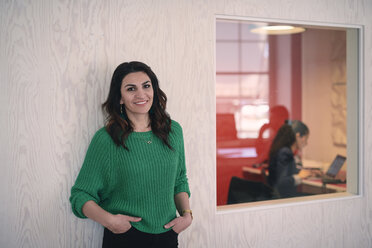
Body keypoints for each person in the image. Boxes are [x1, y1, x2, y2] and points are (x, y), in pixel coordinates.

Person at [69, 61, 192, 248]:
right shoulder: (107, 139)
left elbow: (179, 180)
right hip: (126, 238)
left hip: (168, 236)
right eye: (131, 89)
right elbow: (81, 195)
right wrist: (110, 221)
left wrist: (187, 214)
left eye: (146, 86)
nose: (141, 94)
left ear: (154, 90)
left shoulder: (173, 131)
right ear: (120, 98)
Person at [267, 120, 314, 198]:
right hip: (283, 197)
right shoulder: (285, 152)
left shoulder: (282, 150)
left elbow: (285, 171)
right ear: (298, 136)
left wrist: (303, 172)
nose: (306, 143)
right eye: (306, 138)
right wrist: (299, 176)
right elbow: (281, 182)